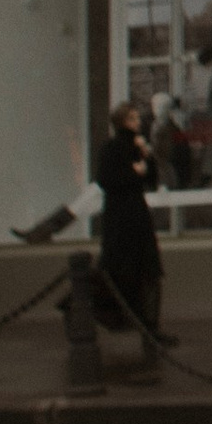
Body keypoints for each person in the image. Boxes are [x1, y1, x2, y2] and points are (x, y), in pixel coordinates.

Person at [91, 98, 170, 347]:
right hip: (121, 217)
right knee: (122, 271)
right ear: (123, 122)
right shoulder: (112, 148)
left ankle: (150, 328)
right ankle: (137, 323)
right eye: (133, 119)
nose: (138, 123)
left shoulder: (136, 147)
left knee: (147, 272)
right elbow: (107, 180)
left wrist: (146, 158)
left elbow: (152, 179)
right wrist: (133, 172)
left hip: (135, 215)